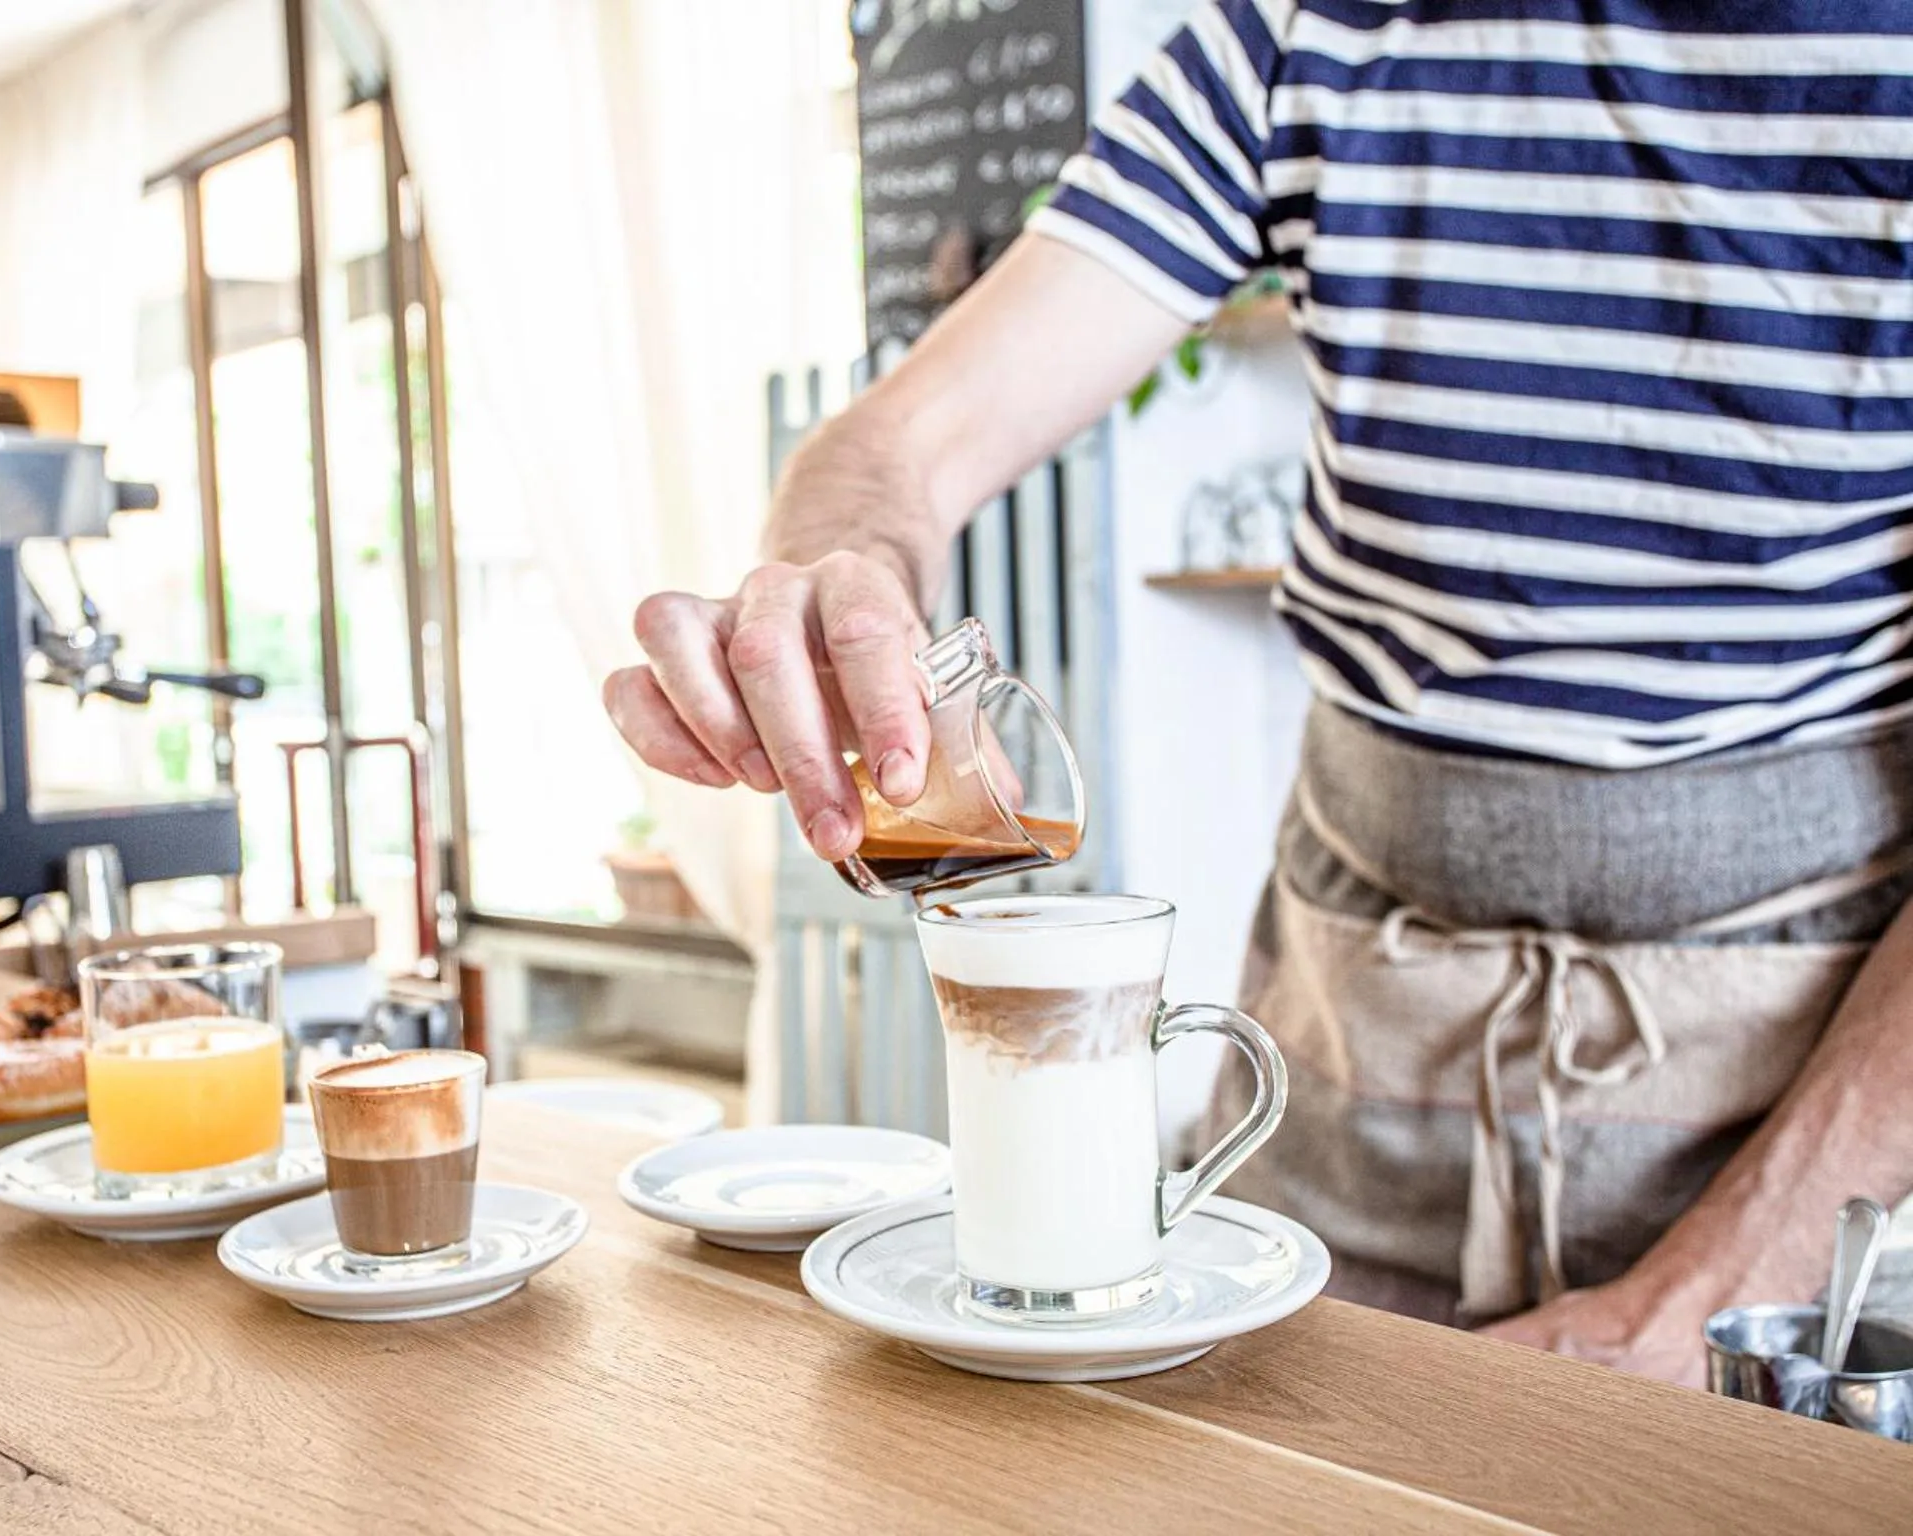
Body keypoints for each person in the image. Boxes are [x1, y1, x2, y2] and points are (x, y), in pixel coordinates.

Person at [605, 1, 1913, 1387]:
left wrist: (1702, 1294)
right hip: (1347, 1080)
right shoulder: (1310, 37)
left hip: (1811, 1157)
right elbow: (900, 442)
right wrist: (840, 570)